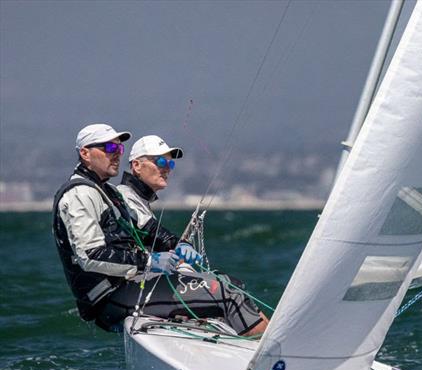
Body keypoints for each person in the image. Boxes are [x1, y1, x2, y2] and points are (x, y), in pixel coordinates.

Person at [53, 125, 267, 336]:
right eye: (109, 148)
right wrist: (149, 261)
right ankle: (275, 361)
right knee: (228, 295)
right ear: (85, 153)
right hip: (110, 298)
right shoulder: (80, 194)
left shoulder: (105, 191)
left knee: (227, 284)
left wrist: (178, 245)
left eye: (118, 149)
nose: (117, 154)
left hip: (128, 287)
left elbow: (148, 230)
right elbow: (90, 256)